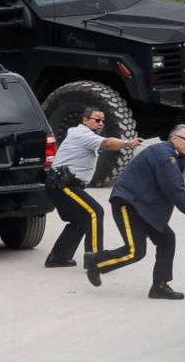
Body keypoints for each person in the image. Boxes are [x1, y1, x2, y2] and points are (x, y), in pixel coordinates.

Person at [83, 124, 185, 299]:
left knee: (167, 239)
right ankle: (96, 261)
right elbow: (175, 189)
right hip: (128, 203)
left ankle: (160, 286)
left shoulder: (170, 154)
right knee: (135, 251)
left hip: (143, 207)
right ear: (174, 139)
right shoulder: (165, 156)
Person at [44, 107, 143, 268]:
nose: (100, 123)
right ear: (85, 120)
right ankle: (95, 260)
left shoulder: (83, 134)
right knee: (95, 212)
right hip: (63, 184)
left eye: (103, 120)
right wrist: (128, 143)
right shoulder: (82, 134)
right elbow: (107, 143)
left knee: (80, 220)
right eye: (96, 119)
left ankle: (58, 257)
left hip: (63, 184)